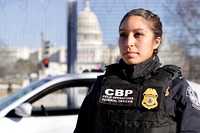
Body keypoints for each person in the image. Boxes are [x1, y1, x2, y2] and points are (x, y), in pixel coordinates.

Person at [74, 8, 200, 133]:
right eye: (123, 35)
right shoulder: (100, 86)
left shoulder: (175, 89)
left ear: (156, 42)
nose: (129, 43)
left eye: (138, 34)